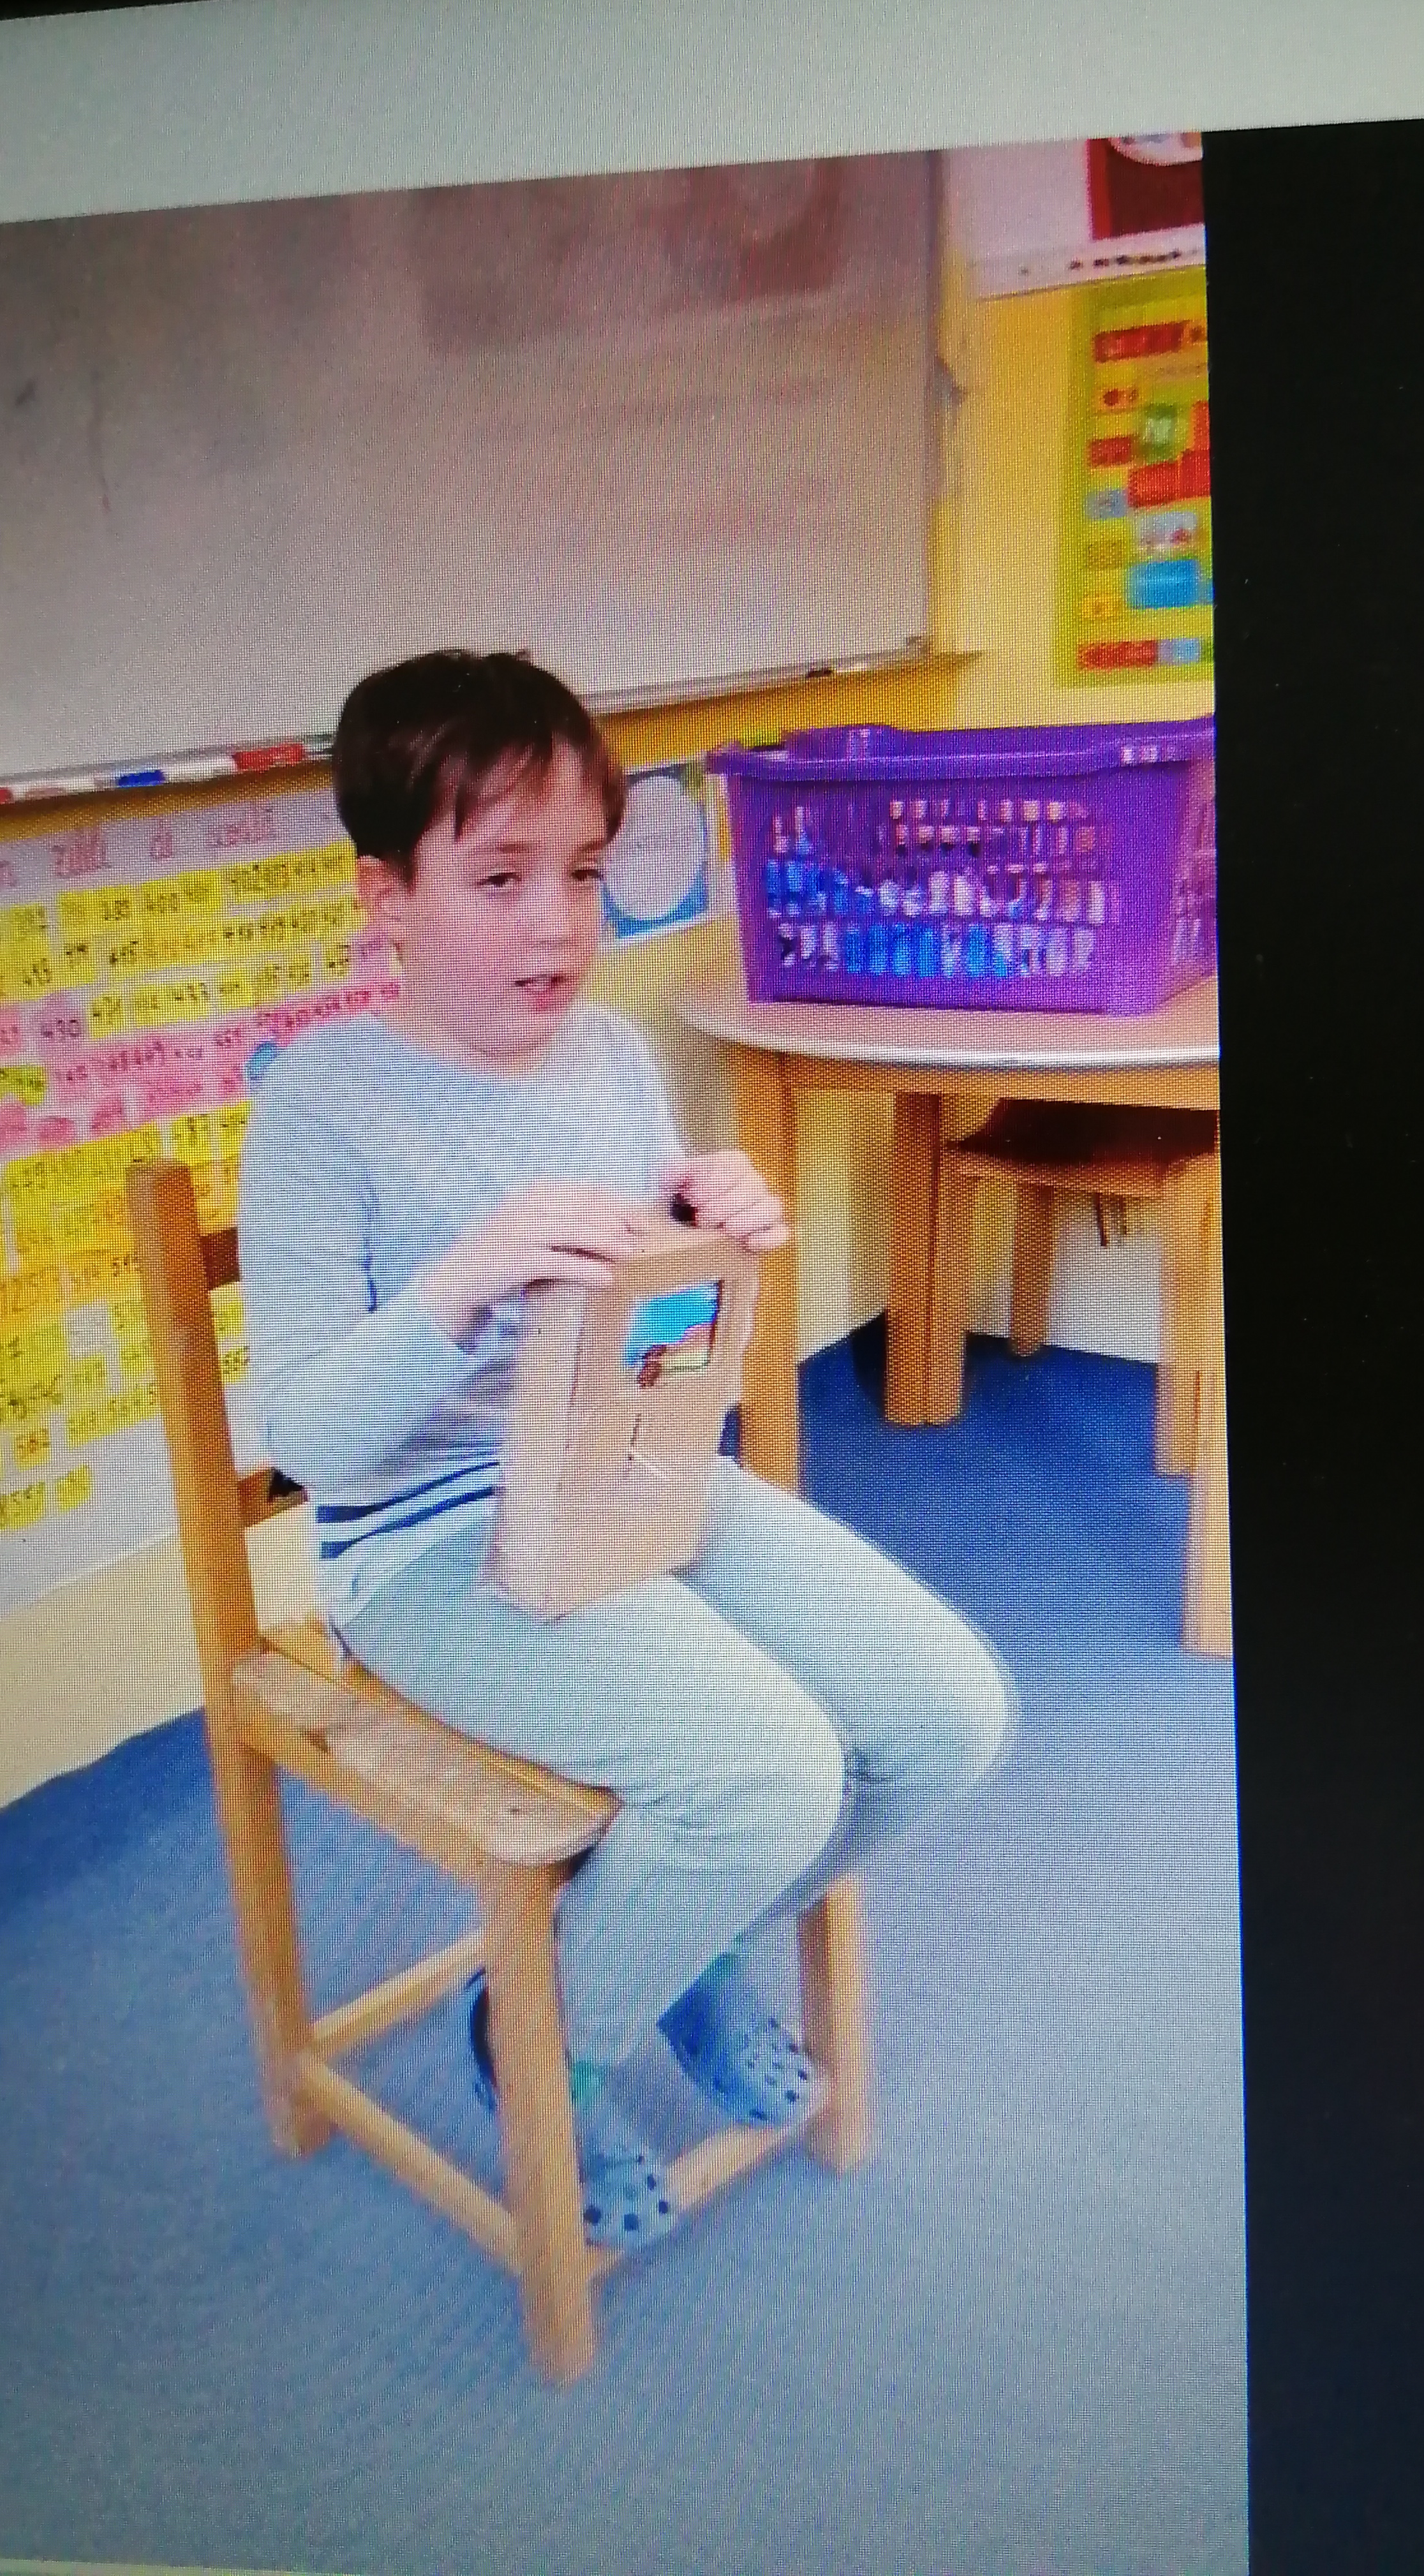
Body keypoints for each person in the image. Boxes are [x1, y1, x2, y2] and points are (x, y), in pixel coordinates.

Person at [239, 650, 1009, 2251]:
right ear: (386, 897)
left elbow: (656, 1321)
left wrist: (708, 1224)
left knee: (946, 1718)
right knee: (769, 1770)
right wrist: (464, 1280)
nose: (558, 924)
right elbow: (307, 1436)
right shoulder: (321, 1106)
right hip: (428, 1545)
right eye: (500, 877)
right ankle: (544, 2039)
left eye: (583, 874)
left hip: (630, 1480)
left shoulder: (610, 1053)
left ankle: (670, 1942)